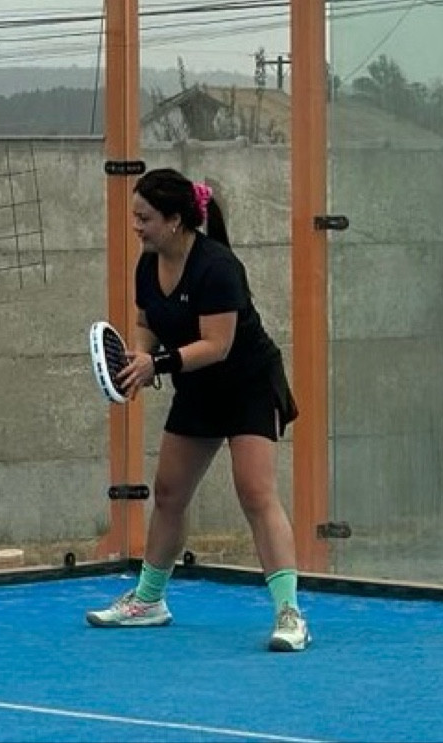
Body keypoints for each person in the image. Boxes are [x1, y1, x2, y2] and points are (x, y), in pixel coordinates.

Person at [85, 167, 310, 652]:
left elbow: (218, 345)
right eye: (134, 217)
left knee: (255, 493)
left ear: (174, 220)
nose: (136, 226)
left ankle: (290, 615)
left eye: (144, 218)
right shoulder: (147, 265)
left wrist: (159, 364)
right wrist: (139, 358)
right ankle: (149, 601)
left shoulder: (218, 267)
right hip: (198, 388)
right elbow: (146, 323)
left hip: (249, 385)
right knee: (169, 493)